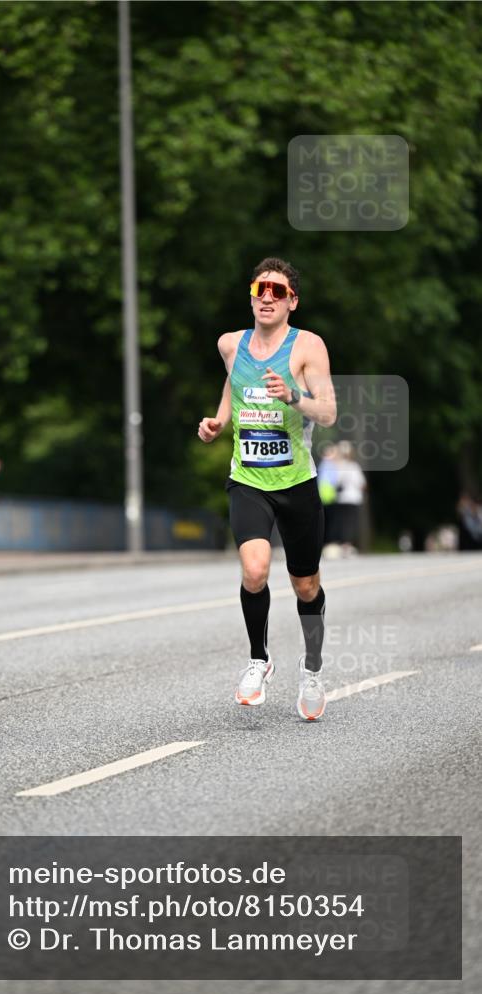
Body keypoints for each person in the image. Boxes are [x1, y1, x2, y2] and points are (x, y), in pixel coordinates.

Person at [198, 257, 336, 720]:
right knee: (254, 571)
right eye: (262, 289)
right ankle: (259, 659)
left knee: (306, 584)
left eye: (278, 291)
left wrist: (293, 396)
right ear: (252, 294)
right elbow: (232, 385)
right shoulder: (230, 344)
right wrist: (220, 421)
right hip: (248, 479)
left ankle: (312, 667)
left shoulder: (307, 347)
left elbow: (329, 413)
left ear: (292, 301)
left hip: (296, 482)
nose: (268, 297)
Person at [332, 440, 366, 555]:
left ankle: (341, 544)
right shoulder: (354, 466)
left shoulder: (337, 466)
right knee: (351, 523)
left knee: (341, 522)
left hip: (341, 498)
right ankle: (347, 545)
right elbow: (361, 484)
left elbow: (334, 483)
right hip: (353, 498)